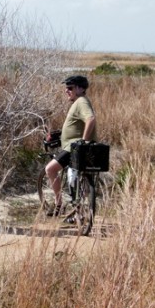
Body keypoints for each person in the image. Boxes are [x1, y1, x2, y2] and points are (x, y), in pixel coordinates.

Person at [45, 75, 97, 216]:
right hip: (71, 145)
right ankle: (78, 212)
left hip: (73, 148)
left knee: (50, 169)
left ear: (80, 88)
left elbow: (91, 119)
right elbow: (77, 126)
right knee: (73, 179)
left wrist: (84, 141)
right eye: (66, 88)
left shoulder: (81, 102)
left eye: (70, 88)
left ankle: (59, 205)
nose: (66, 90)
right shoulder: (79, 102)